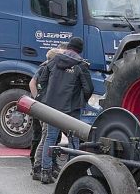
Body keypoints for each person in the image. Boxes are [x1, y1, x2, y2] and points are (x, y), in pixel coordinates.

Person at [35, 36, 93, 184]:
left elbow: (41, 80)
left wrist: (49, 96)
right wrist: (81, 100)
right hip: (71, 110)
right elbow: (88, 88)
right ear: (80, 50)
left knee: (50, 138)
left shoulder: (54, 61)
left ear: (68, 47)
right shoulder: (81, 65)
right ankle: (72, 175)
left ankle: (45, 172)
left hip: (52, 108)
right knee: (74, 141)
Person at [29, 43, 67, 181]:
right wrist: (38, 100)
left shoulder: (46, 67)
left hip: (44, 105)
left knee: (47, 137)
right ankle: (38, 167)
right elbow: (32, 83)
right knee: (45, 138)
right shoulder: (46, 67)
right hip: (44, 106)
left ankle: (43, 166)